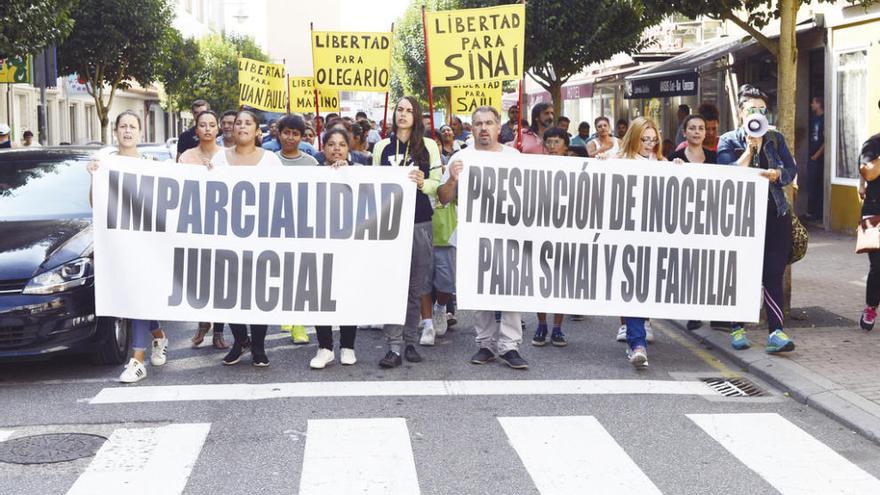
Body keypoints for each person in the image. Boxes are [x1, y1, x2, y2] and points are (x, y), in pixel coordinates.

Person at [438, 106, 528, 369]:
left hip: (508, 234)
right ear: (471, 128)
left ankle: (510, 345)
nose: (484, 128)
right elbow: (443, 198)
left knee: (510, 289)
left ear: (499, 127)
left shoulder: (514, 156)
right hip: (473, 236)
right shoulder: (461, 157)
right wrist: (453, 179)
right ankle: (486, 343)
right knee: (479, 291)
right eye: (478, 124)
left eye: (489, 123)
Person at [87, 111, 168, 382]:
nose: (128, 131)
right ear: (115, 131)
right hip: (119, 244)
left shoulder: (151, 163)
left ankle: (137, 360)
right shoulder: (105, 163)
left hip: (146, 243)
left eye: (133, 126)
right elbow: (94, 203)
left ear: (140, 132)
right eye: (123, 126)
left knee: (138, 299)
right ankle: (158, 335)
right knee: (133, 299)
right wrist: (94, 177)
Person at [716, 84, 797, 354]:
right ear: (741, 113)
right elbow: (726, 172)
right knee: (742, 273)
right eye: (752, 109)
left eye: (762, 110)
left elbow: (791, 168)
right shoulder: (728, 140)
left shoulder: (775, 139)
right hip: (741, 218)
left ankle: (776, 332)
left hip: (775, 214)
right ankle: (737, 328)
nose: (758, 114)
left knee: (773, 273)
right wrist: (749, 151)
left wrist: (778, 174)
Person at [210, 109, 284, 367]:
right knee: (229, 294)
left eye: (248, 123)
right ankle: (241, 341)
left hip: (260, 237)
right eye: (238, 122)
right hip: (227, 237)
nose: (242, 126)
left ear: (256, 130)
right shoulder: (219, 160)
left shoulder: (271, 160)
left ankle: (259, 347)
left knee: (257, 294)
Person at [373, 96, 441, 368]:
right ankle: (393, 345)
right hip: (390, 222)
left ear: (417, 116)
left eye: (409, 110)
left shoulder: (428, 146)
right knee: (393, 284)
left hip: (419, 220)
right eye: (399, 109)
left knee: (416, 284)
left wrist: (424, 183)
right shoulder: (381, 146)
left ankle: (411, 341)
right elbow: (374, 182)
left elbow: (437, 182)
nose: (403, 114)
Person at [309, 127, 362, 369]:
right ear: (324, 148)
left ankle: (348, 346)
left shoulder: (360, 171)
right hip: (320, 242)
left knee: (348, 293)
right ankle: (325, 347)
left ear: (349, 149)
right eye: (331, 144)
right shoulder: (312, 173)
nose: (336, 149)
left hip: (349, 243)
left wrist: (348, 174)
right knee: (322, 295)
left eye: (341, 144)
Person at [178, 110, 231, 350]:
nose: (208, 128)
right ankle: (202, 323)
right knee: (199, 279)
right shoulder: (186, 156)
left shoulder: (227, 157)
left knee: (220, 280)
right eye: (203, 125)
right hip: (195, 226)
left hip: (222, 226)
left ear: (218, 129)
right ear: (196, 130)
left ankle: (219, 331)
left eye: (212, 124)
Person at [858, 110, 880, 331]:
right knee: (878, 266)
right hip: (874, 212)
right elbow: (869, 173)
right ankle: (871, 306)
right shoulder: (872, 144)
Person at [807, 96, 825, 220]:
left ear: (818, 104)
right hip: (812, 156)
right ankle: (812, 212)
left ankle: (816, 213)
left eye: (813, 102)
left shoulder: (824, 120)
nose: (811, 104)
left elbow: (826, 141)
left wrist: (816, 156)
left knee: (817, 186)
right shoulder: (814, 118)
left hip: (818, 158)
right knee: (811, 184)